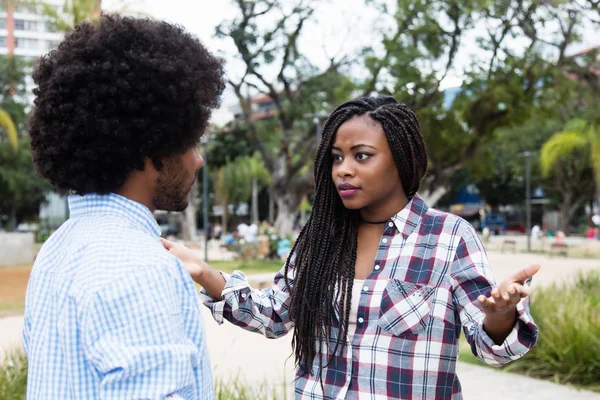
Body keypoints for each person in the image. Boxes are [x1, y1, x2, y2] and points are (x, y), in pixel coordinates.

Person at [163, 96, 540, 399]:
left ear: (401, 159)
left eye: (362, 156)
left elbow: (492, 348)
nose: (343, 169)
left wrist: (501, 315)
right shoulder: (321, 239)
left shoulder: (448, 237)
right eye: (336, 158)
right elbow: (276, 314)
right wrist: (203, 272)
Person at [23, 14, 224, 399]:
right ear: (152, 150)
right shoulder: (141, 266)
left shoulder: (57, 249)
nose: (197, 160)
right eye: (191, 142)